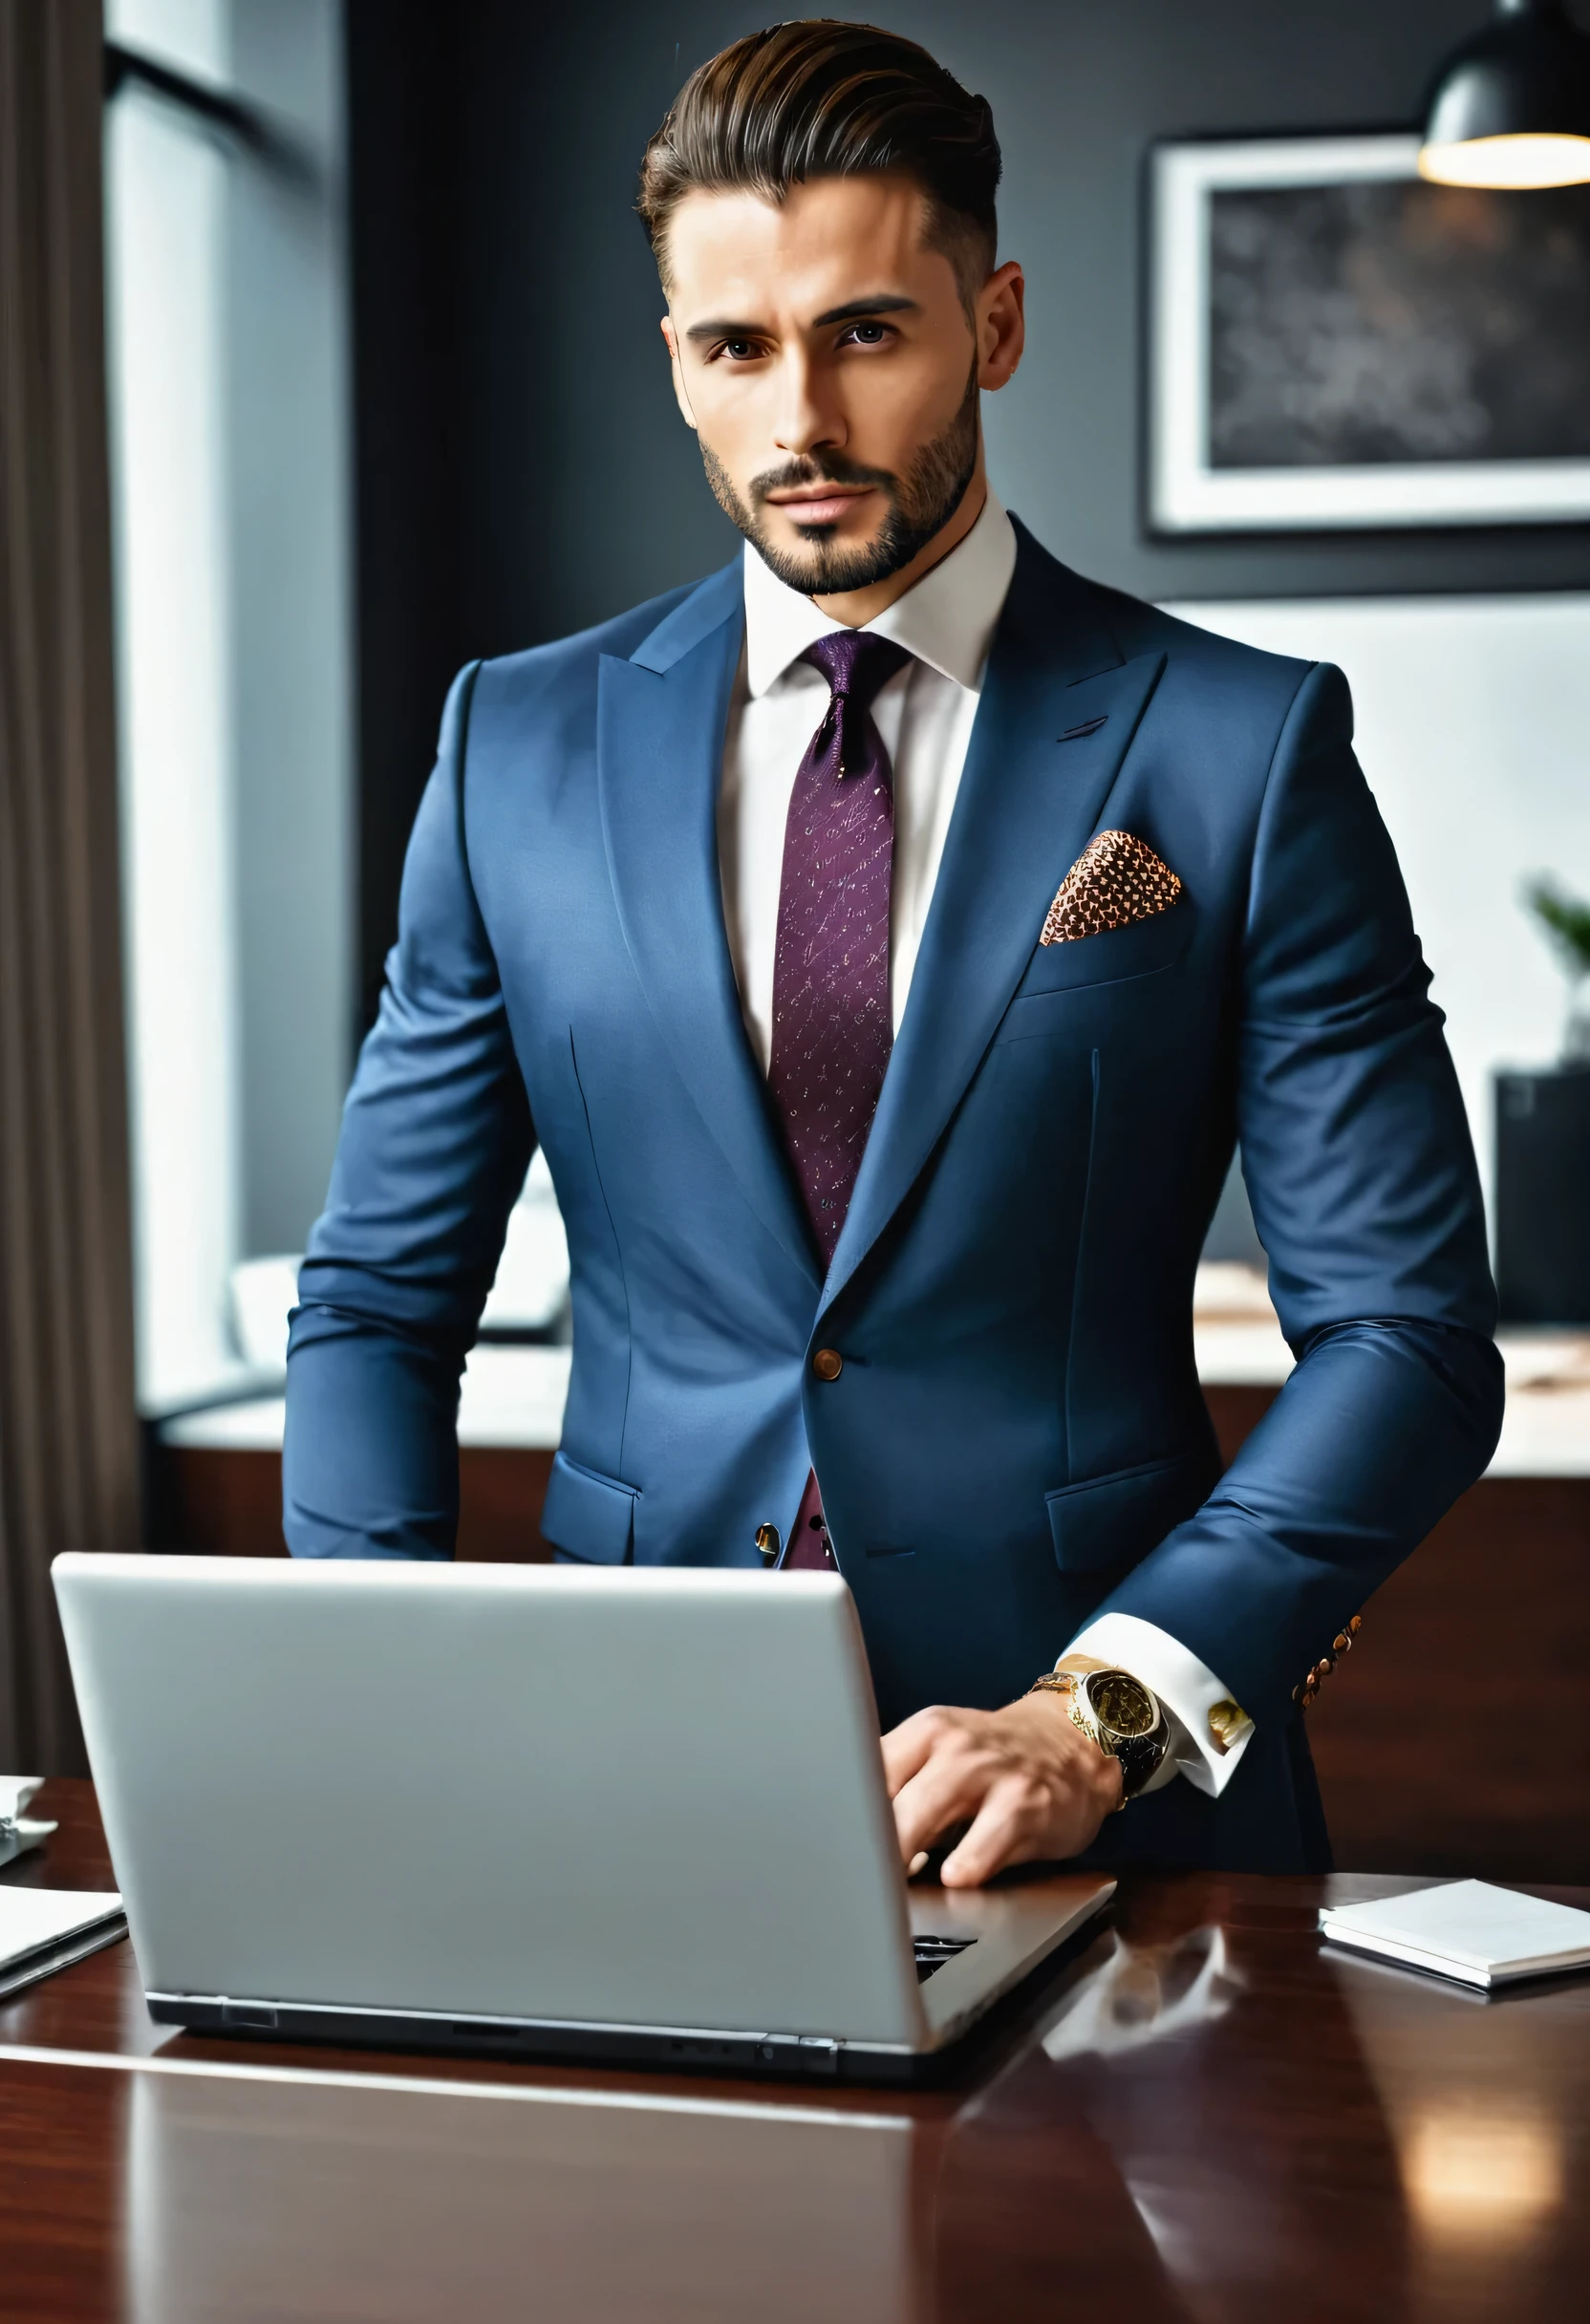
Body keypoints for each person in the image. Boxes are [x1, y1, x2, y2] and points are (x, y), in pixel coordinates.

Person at [283, 21, 1502, 1883]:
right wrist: (395, 1697)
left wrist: (1099, 1718)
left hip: (1122, 1822)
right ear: (676, 361)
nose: (799, 423)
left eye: (865, 332)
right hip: (625, 1793)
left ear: (991, 326)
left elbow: (1406, 1342)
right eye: (733, 347)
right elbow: (377, 1294)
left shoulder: (1238, 749)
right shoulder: (508, 747)